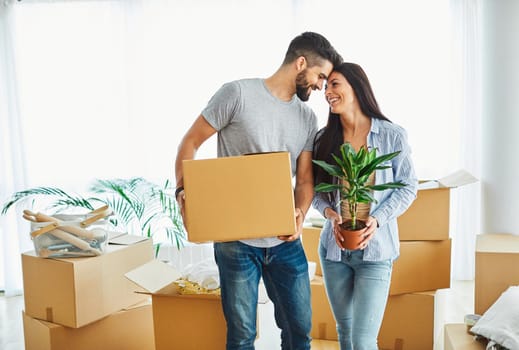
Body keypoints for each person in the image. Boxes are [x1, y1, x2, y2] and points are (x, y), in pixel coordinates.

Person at [175, 32, 343, 350]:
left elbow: (305, 181)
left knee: (299, 331)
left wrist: (299, 214)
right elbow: (191, 141)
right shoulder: (237, 94)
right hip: (236, 243)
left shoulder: (306, 117)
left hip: (284, 242)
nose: (321, 86)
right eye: (320, 76)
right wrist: (183, 190)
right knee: (241, 336)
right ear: (301, 63)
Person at [312, 62, 418, 350]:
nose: (327, 91)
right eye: (326, 86)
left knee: (362, 340)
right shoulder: (324, 139)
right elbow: (315, 193)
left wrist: (378, 219)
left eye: (335, 84)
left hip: (376, 251)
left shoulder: (391, 135)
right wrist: (330, 214)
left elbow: (408, 187)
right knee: (344, 332)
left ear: (356, 87)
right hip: (334, 251)